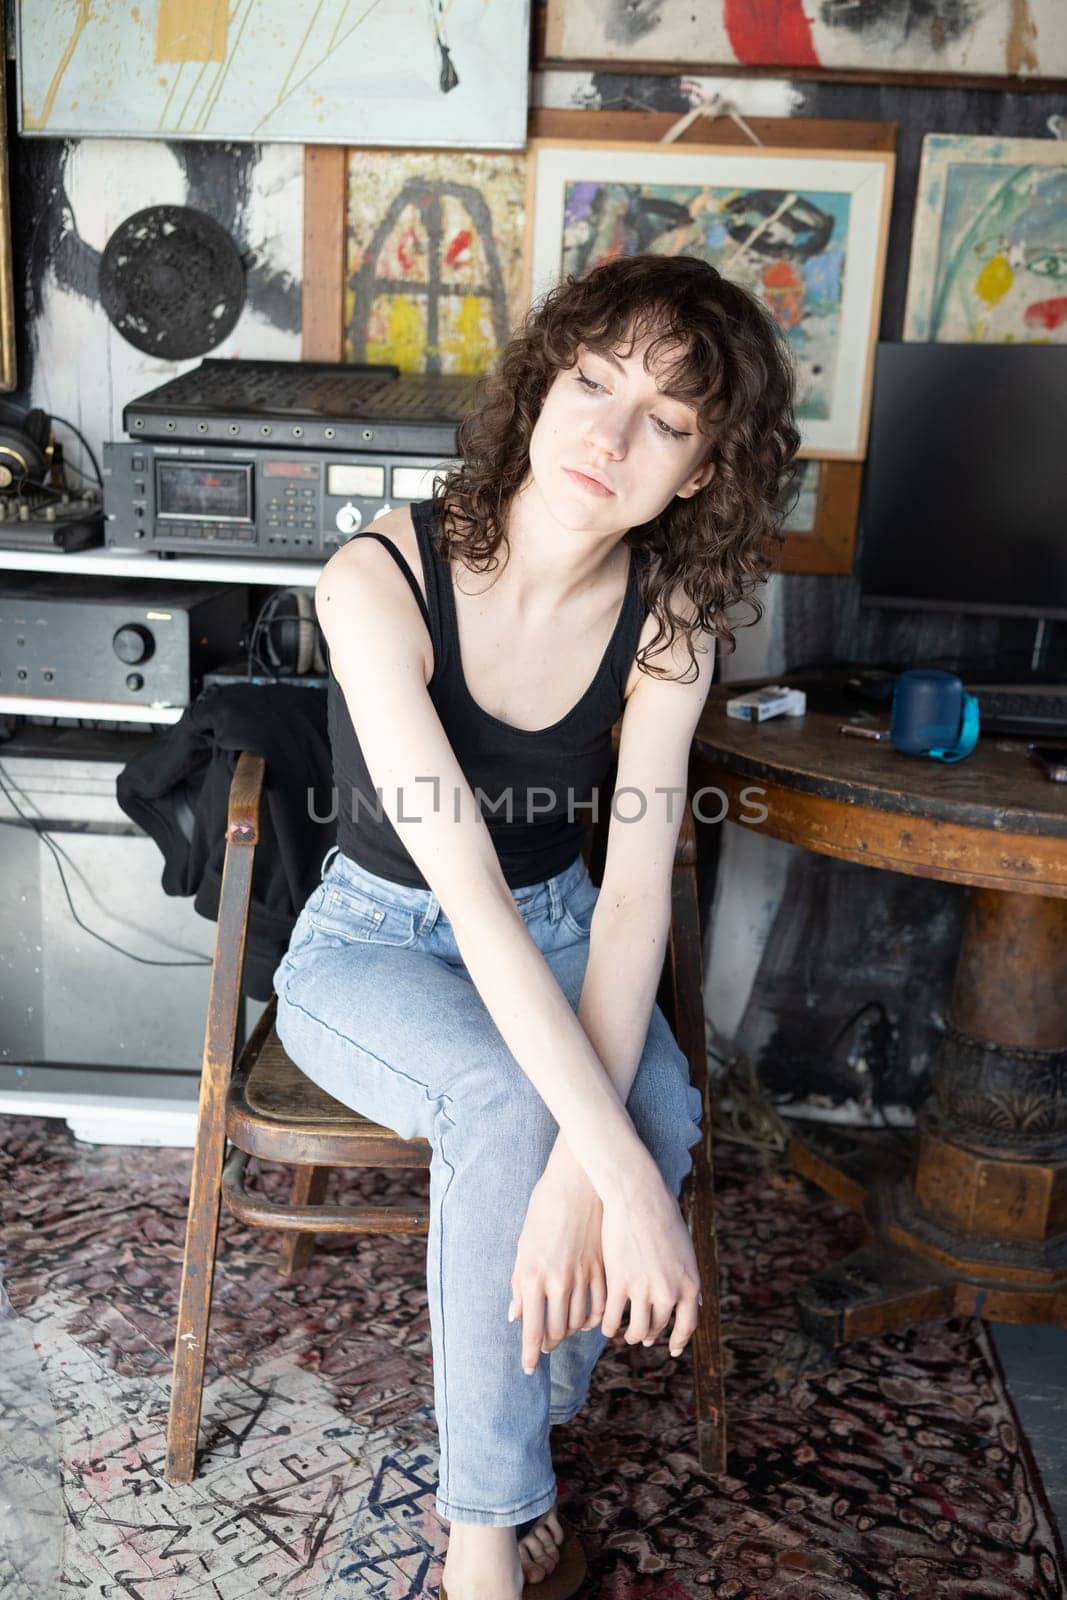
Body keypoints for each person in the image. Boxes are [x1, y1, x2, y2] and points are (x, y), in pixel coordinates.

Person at [272, 252, 799, 1600]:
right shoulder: (375, 582)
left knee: (659, 1115)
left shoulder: (671, 615)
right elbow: (466, 897)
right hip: (378, 937)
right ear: (543, 385)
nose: (614, 435)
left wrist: (604, 1166)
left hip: (565, 921)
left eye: (669, 421)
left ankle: (533, 1430)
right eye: (594, 382)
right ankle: (487, 1541)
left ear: (698, 473)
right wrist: (601, 1170)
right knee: (523, 1110)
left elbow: (631, 892)